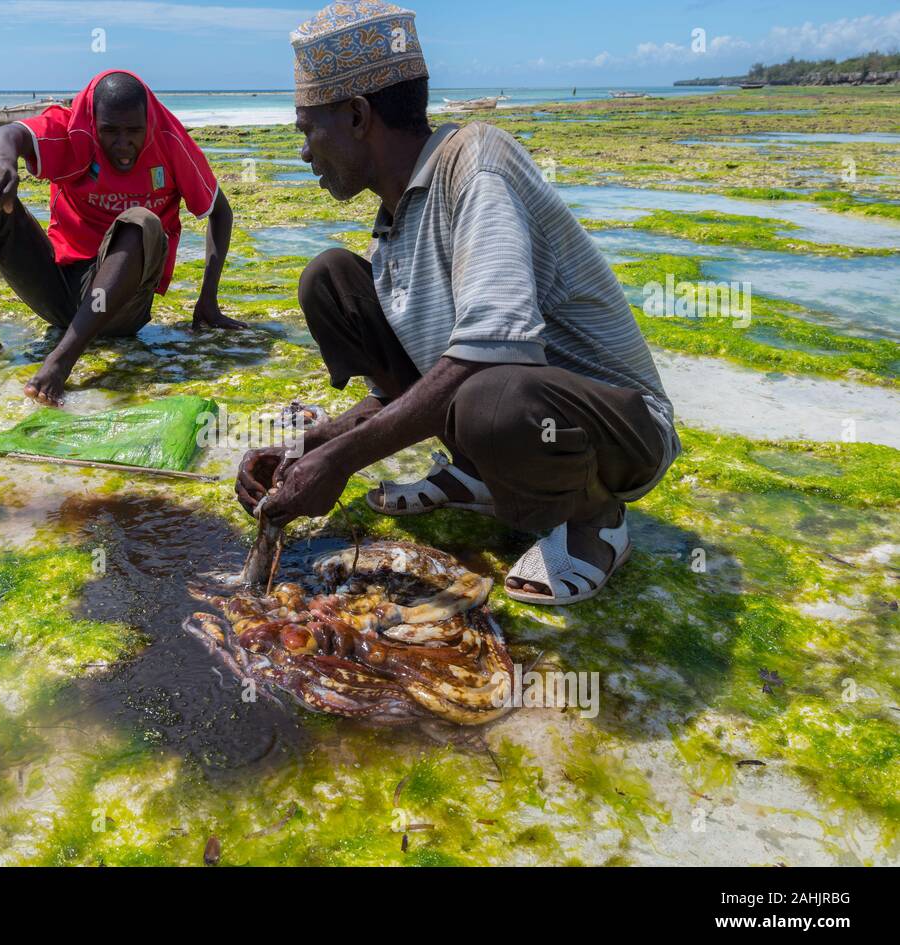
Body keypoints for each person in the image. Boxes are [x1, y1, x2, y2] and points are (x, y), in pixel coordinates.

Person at [236, 1, 680, 606]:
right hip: (504, 397)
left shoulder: (477, 163)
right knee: (331, 279)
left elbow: (490, 358)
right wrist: (307, 448)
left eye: (308, 130)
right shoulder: (393, 221)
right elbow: (407, 390)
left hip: (621, 434)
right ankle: (475, 470)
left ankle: (593, 518)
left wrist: (339, 463)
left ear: (358, 115)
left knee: (492, 395)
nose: (306, 152)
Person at [0, 69, 245, 406]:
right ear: (93, 122)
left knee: (141, 221)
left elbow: (219, 211)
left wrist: (208, 299)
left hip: (121, 307)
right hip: (60, 292)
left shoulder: (170, 141)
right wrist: (3, 161)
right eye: (110, 131)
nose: (123, 144)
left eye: (134, 131)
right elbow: (7, 134)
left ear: (148, 121)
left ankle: (62, 360)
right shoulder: (73, 130)